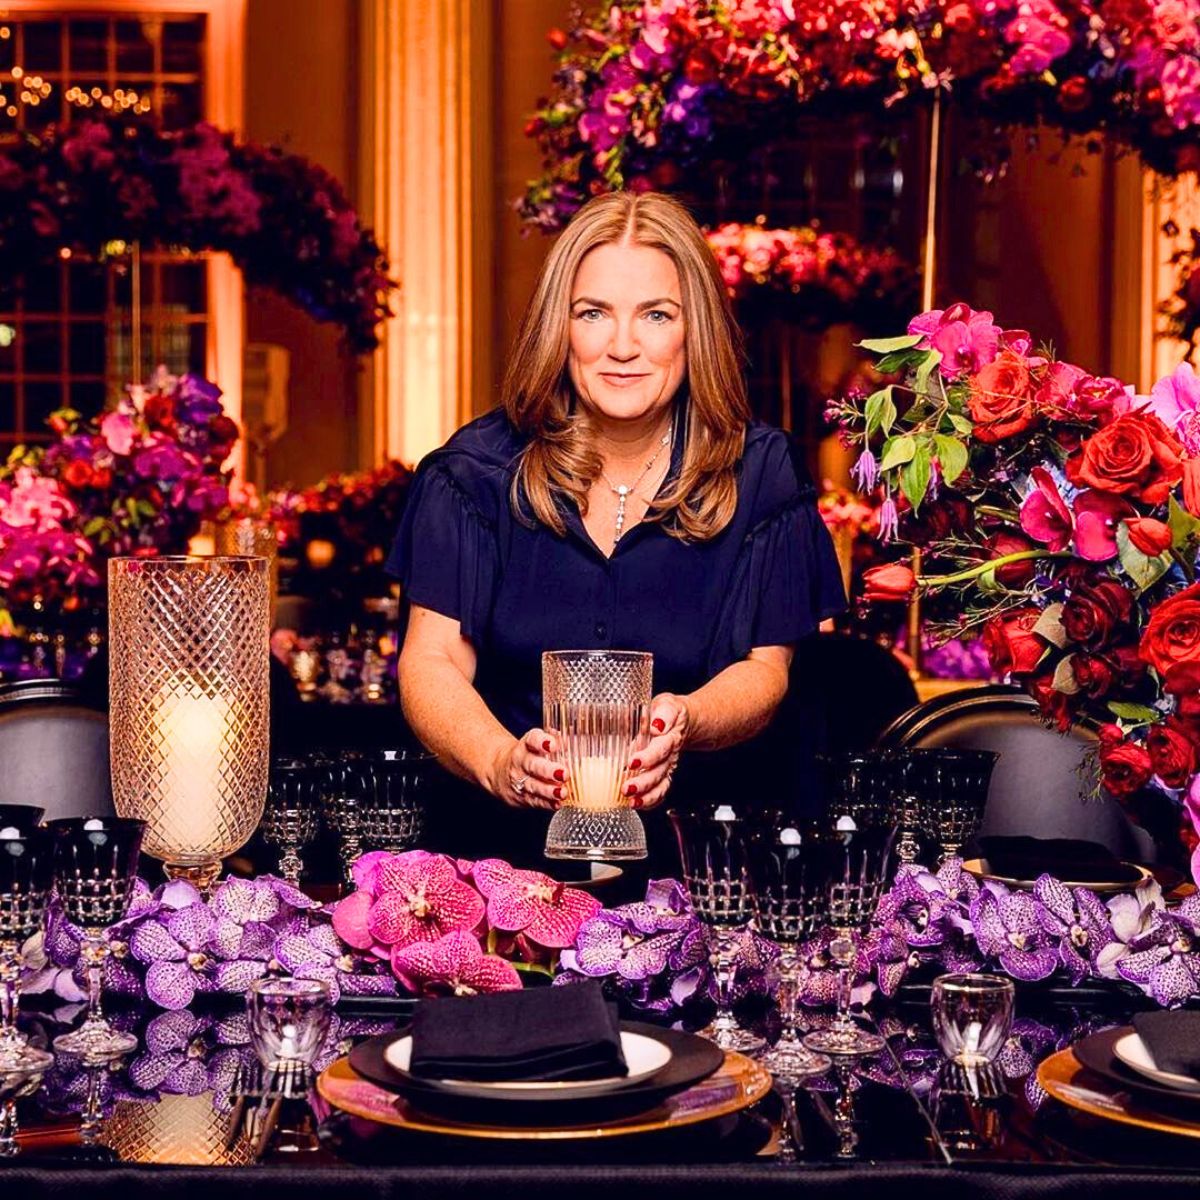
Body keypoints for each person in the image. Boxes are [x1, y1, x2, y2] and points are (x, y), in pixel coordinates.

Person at [388, 191, 845, 872]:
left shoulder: (762, 474)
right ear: (559, 326)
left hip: (704, 872)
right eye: (593, 313)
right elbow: (431, 661)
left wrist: (684, 722)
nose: (622, 347)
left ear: (695, 331)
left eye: (656, 315)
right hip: (505, 870)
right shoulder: (473, 472)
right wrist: (499, 760)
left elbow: (765, 671)